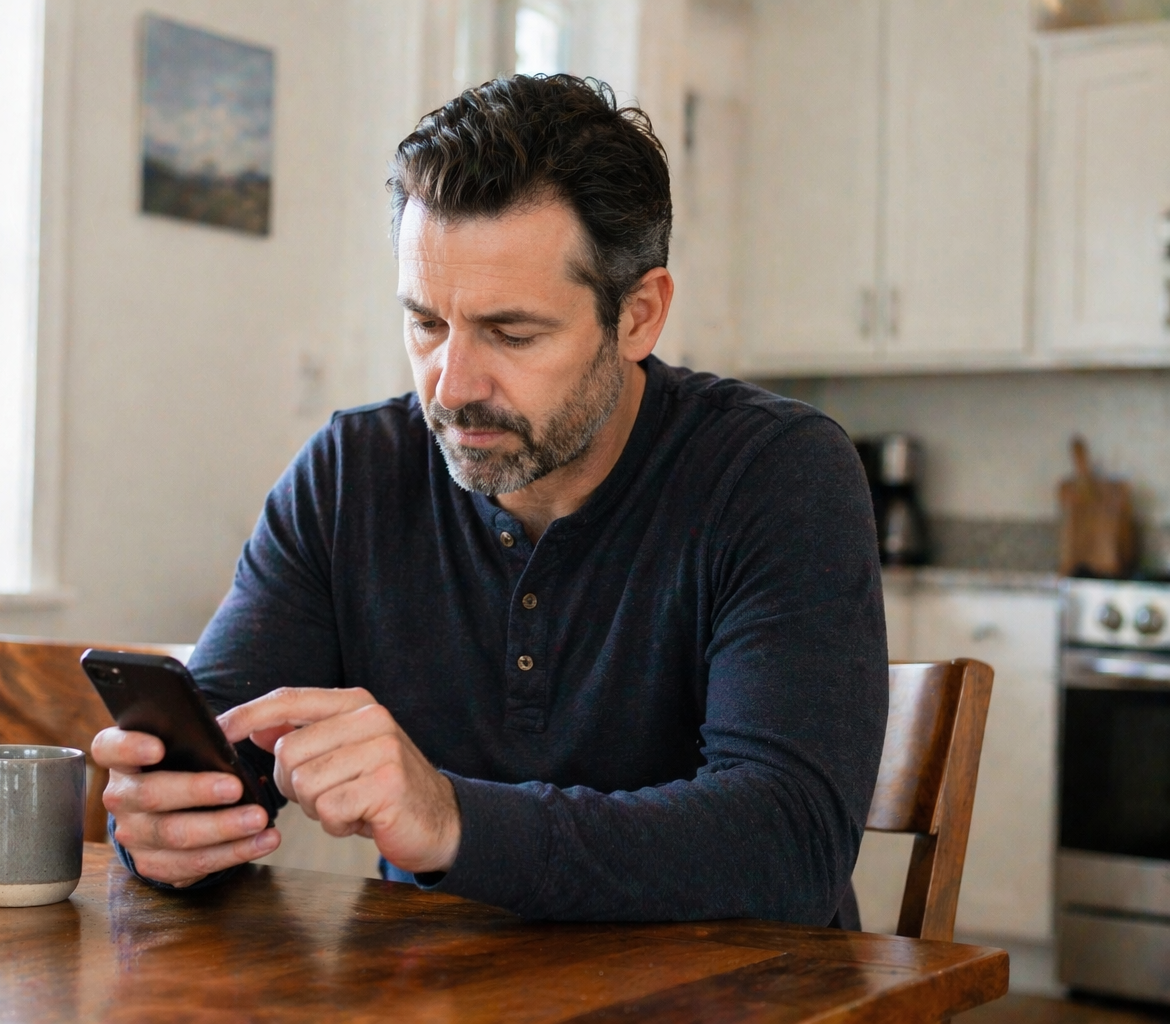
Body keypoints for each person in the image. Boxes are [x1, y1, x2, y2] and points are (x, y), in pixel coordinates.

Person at [93, 74, 888, 926]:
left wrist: (451, 819)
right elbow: (216, 766)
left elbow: (788, 844)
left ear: (639, 316)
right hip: (438, 995)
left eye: (513, 334)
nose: (454, 385)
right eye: (426, 324)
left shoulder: (776, 474)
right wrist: (169, 829)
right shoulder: (351, 476)